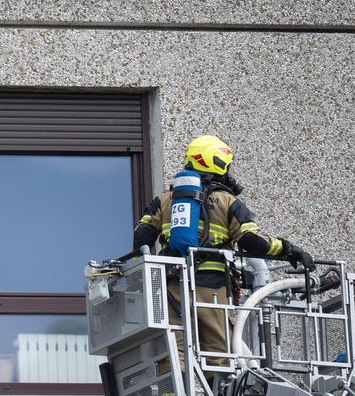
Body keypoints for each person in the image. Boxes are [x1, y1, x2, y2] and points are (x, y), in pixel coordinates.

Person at [132, 135, 314, 369]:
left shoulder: (165, 200)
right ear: (217, 163)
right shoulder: (228, 202)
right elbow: (253, 241)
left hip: (171, 286)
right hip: (212, 288)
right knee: (219, 353)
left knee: (173, 352)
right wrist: (289, 249)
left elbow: (141, 237)